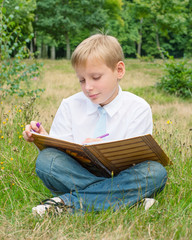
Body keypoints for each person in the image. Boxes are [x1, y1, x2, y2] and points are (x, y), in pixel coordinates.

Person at [23, 34, 167, 217]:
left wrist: (100, 150)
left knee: (154, 171)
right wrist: (44, 138)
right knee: (46, 161)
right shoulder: (70, 105)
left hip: (122, 176)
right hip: (78, 172)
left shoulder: (138, 108)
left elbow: (135, 160)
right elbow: (60, 153)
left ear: (119, 70)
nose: (88, 87)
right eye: (82, 80)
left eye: (96, 77)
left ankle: (65, 204)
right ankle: (127, 202)